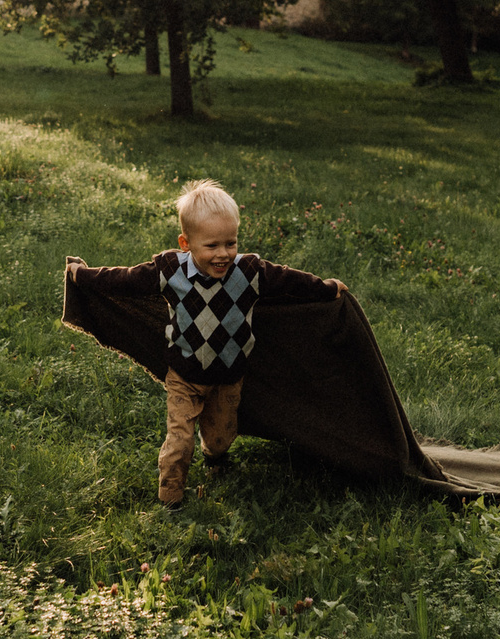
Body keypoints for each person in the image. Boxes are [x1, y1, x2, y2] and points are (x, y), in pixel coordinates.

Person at [65, 179, 346, 508]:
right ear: (186, 243)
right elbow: (126, 279)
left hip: (229, 377)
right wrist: (82, 275)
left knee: (220, 439)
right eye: (212, 246)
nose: (224, 254)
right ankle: (170, 499)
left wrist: (326, 289)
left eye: (231, 243)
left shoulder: (250, 271)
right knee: (179, 440)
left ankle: (214, 458)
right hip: (184, 376)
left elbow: (291, 281)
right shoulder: (170, 270)